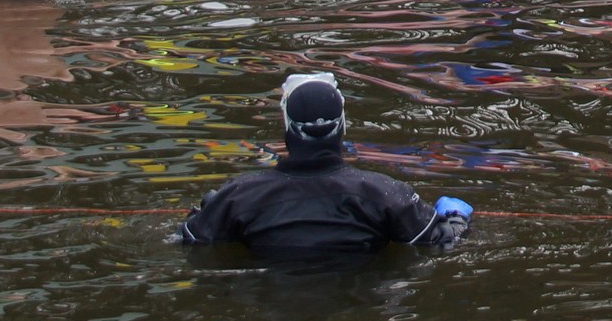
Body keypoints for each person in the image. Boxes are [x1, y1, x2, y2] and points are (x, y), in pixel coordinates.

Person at [175, 74, 473, 254]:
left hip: (271, 294)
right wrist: (457, 218)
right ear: (342, 126)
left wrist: (208, 207)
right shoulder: (385, 194)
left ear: (287, 127)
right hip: (358, 298)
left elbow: (189, 238)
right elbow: (440, 241)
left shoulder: (239, 196)